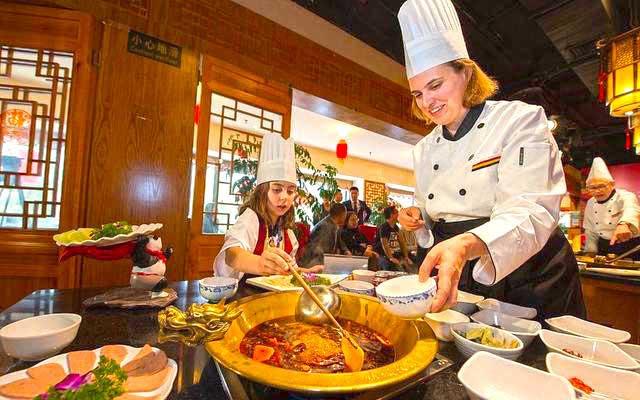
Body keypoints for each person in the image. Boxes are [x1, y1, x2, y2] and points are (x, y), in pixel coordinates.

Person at [396, 0, 585, 319]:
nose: (427, 101)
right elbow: (436, 214)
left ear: (466, 74)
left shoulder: (519, 121)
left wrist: (468, 244)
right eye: (417, 94)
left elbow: (532, 209)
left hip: (528, 272)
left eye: (435, 85)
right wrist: (418, 220)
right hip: (460, 267)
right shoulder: (424, 149)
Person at [213, 133, 321, 279]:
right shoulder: (251, 218)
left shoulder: (287, 231)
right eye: (276, 190)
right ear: (263, 192)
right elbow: (231, 254)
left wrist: (305, 273)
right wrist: (260, 264)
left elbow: (287, 271)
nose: (284, 197)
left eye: (290, 191)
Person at [583, 157, 640, 259]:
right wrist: (590, 252)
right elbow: (590, 230)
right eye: (592, 188)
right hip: (605, 246)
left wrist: (624, 224)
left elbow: (631, 208)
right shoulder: (591, 203)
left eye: (601, 186)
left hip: (629, 246)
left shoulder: (624, 196)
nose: (597, 191)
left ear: (612, 184)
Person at [299, 203, 351, 267]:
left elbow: (339, 241)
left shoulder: (333, 223)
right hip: (312, 264)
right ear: (342, 215)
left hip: (322, 261)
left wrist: (346, 250)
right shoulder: (325, 226)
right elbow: (319, 252)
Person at [375, 207, 413, 271]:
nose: (398, 214)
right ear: (391, 215)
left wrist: (406, 257)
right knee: (389, 265)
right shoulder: (384, 227)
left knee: (412, 258)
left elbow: (402, 243)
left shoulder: (396, 227)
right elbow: (385, 245)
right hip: (381, 253)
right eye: (396, 212)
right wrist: (391, 258)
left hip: (393, 252)